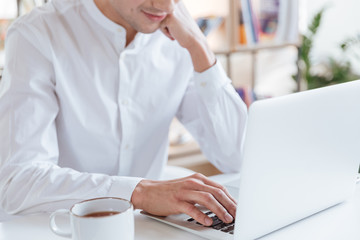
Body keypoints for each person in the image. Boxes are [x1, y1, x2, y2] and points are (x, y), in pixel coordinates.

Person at [0, 0, 247, 226]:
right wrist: (139, 192)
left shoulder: (179, 36)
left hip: (148, 228)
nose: (166, 5)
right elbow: (19, 183)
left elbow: (234, 156)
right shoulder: (37, 33)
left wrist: (199, 46)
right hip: (58, 229)